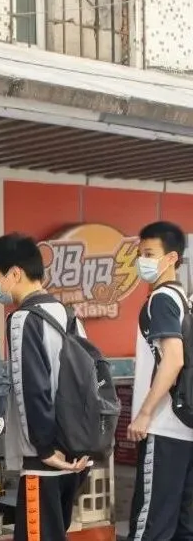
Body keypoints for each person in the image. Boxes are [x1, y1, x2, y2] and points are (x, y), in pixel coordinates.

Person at [0, 233, 91, 541]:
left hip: (45, 459)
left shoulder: (23, 319)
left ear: (15, 273)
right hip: (76, 453)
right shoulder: (68, 314)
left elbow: (31, 388)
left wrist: (44, 449)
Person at [127, 221, 193, 540]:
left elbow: (174, 359)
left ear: (171, 258)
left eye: (150, 253)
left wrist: (144, 413)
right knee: (184, 526)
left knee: (150, 525)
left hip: (164, 426)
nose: (143, 260)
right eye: (140, 253)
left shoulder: (162, 299)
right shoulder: (184, 299)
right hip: (186, 426)